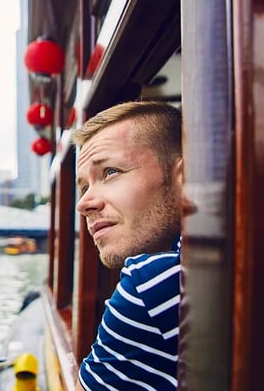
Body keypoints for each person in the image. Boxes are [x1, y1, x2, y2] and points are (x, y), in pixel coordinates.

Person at [72, 101, 188, 391]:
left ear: (187, 178)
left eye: (110, 172)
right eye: (84, 187)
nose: (83, 204)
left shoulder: (150, 283)